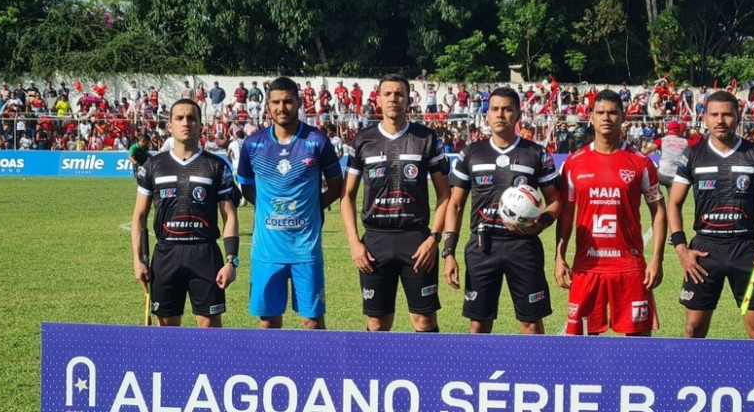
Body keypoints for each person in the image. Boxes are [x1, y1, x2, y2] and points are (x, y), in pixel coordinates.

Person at [666, 90, 754, 339]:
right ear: (705, 118)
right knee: (694, 328)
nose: (720, 120)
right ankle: (691, 378)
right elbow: (674, 203)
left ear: (738, 116)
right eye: (714, 114)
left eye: (727, 114)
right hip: (705, 249)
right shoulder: (692, 155)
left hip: (747, 249)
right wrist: (681, 249)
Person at [443, 87, 562, 334]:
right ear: (486, 115)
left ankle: (534, 373)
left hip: (523, 247)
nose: (500, 114)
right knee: (478, 323)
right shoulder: (471, 153)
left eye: (507, 109)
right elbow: (455, 204)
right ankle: (476, 373)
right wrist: (449, 252)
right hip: (482, 246)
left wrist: (541, 224)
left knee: (531, 322)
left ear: (518, 114)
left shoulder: (535, 153)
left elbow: (556, 201)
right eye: (494, 109)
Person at [341, 73, 451, 332]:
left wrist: (433, 239)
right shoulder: (363, 140)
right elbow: (347, 196)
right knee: (377, 323)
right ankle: (378, 373)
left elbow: (445, 195)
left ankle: (428, 374)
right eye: (387, 94)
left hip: (416, 240)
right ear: (378, 99)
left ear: (408, 99)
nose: (393, 99)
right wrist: (355, 244)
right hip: (375, 241)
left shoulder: (426, 138)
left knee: (424, 320)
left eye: (399, 94)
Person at [555, 89, 666, 336]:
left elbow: (659, 211)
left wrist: (656, 258)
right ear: (591, 117)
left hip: (629, 266)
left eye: (613, 112)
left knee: (638, 345)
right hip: (587, 267)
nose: (606, 117)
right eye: (600, 112)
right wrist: (559, 256)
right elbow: (566, 216)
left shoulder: (640, 162)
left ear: (623, 117)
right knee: (581, 344)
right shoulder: (573, 163)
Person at [237, 77, 343, 330]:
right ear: (268, 106)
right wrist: (270, 209)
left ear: (298, 103)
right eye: (276, 102)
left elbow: (337, 185)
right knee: (269, 322)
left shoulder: (317, 141)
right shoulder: (253, 145)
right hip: (267, 250)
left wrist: (314, 207)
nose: (281, 107)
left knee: (313, 321)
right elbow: (247, 187)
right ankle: (273, 370)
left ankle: (316, 370)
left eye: (287, 101)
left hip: (305, 250)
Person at [131, 98, 239, 327]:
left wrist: (231, 261)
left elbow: (229, 215)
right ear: (169, 125)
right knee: (166, 330)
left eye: (192, 118)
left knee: (210, 330)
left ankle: (210, 365)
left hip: (205, 253)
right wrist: (138, 261)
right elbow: (139, 217)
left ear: (200, 125)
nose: (186, 122)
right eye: (179, 118)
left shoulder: (216, 166)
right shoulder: (152, 166)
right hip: (166, 253)